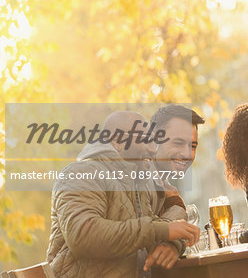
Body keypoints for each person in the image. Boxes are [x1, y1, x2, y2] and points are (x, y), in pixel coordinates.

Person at [47, 111, 200, 277]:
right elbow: (84, 236)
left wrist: (173, 243)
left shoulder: (135, 185)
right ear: (117, 141)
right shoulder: (80, 174)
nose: (152, 150)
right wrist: (164, 230)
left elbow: (156, 228)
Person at [143, 105, 205, 271]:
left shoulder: (165, 189)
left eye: (193, 146)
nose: (187, 154)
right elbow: (140, 243)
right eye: (178, 143)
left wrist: (173, 245)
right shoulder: (138, 178)